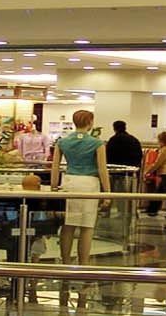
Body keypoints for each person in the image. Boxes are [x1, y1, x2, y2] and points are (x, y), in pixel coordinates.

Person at [49, 110, 110, 273]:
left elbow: (55, 166)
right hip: (89, 184)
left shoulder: (62, 142)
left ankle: (66, 261)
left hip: (69, 181)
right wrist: (107, 192)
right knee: (87, 227)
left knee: (68, 224)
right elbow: (102, 169)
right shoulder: (97, 143)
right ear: (90, 122)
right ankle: (83, 263)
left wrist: (54, 186)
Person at [105, 120, 143, 194]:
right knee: (128, 192)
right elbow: (139, 155)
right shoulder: (134, 140)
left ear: (114, 128)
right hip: (131, 171)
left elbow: (108, 154)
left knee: (114, 192)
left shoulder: (113, 140)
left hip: (114, 171)